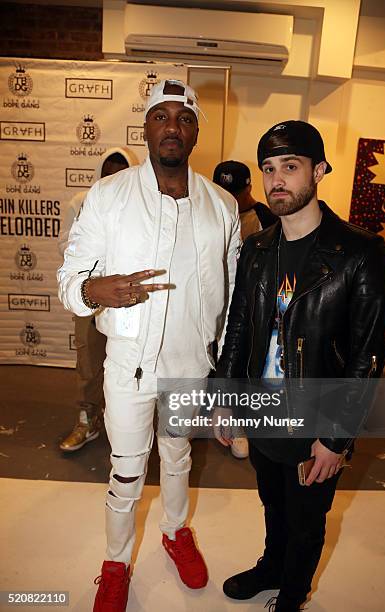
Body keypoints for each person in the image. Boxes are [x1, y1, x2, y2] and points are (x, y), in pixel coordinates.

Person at [58, 79, 240, 612]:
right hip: (129, 366)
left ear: (196, 131)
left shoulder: (222, 206)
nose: (171, 128)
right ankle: (116, 563)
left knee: (179, 455)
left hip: (190, 366)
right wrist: (97, 290)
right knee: (127, 467)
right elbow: (70, 282)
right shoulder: (109, 197)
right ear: (145, 127)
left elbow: (228, 304)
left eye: (183, 119)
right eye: (160, 117)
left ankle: (175, 532)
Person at [214, 120, 385, 611]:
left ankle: (292, 596)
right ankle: (272, 565)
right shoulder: (256, 249)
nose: (276, 180)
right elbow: (239, 328)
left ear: (318, 170)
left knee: (308, 519)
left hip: (317, 417)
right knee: (273, 502)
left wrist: (336, 435)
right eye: (268, 168)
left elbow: (368, 353)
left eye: (290, 167)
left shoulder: (358, 251)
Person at [58, 147, 137, 452]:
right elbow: (65, 244)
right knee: (89, 361)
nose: (113, 177)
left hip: (128, 298)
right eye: (108, 171)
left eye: (121, 170)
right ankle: (88, 418)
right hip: (90, 293)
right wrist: (98, 272)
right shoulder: (82, 202)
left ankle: (133, 425)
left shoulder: (139, 208)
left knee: (131, 362)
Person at [212, 160, 276, 460]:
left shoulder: (267, 216)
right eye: (224, 191)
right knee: (209, 360)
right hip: (214, 300)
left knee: (241, 360)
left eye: (236, 192)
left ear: (249, 186)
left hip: (251, 306)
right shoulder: (208, 213)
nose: (230, 198)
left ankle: (238, 421)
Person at [213, 159, 277, 240]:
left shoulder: (266, 220)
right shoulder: (210, 213)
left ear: (248, 189)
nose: (226, 198)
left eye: (233, 194)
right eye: (220, 193)